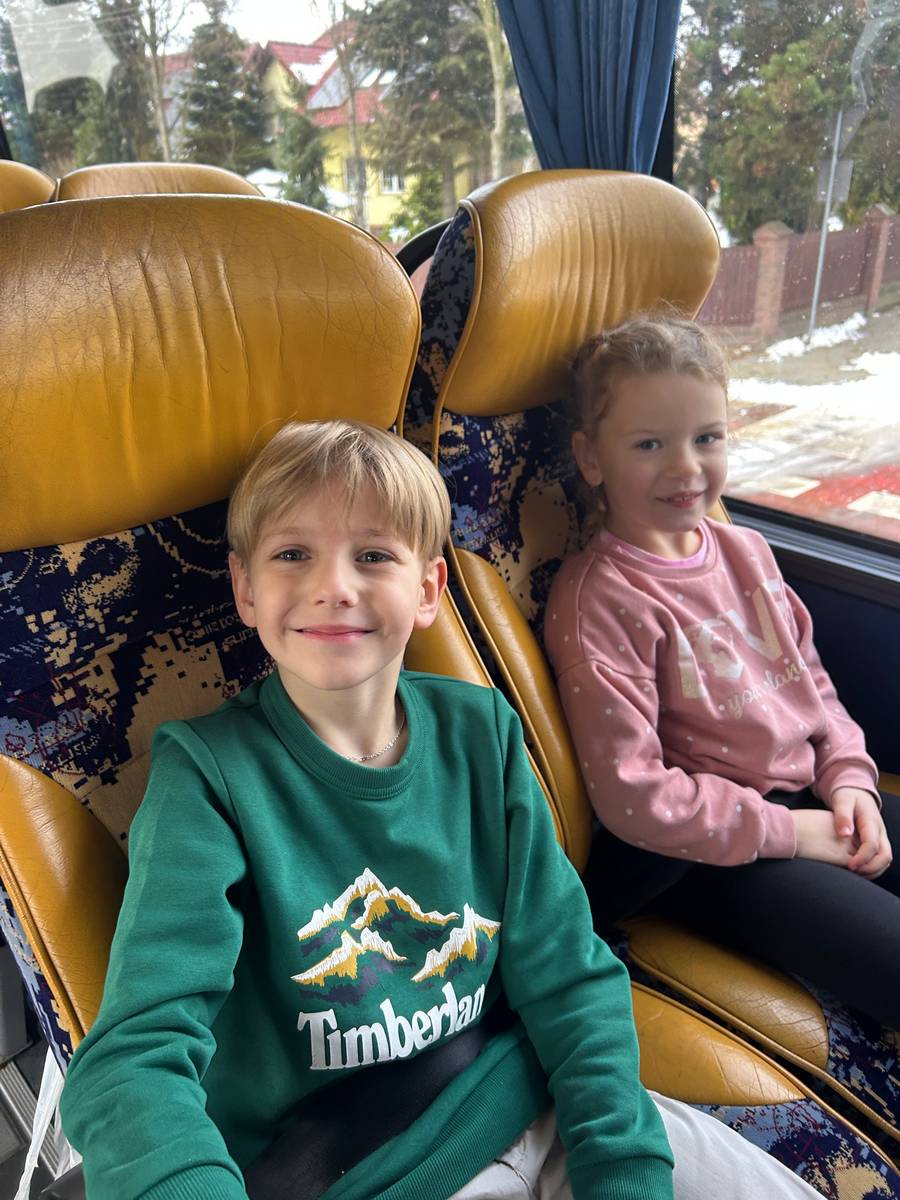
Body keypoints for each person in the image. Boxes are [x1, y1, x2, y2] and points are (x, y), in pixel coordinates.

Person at [60, 419, 827, 1200]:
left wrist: (620, 1162)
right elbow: (136, 1059)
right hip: (369, 1170)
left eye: (373, 556)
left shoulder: (480, 731)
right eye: (293, 554)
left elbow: (568, 971)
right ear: (245, 590)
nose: (334, 586)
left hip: (531, 1098)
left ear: (428, 590)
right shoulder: (206, 777)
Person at [545, 316, 900, 1030]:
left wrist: (850, 781)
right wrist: (791, 832)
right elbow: (634, 795)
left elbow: (812, 686)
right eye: (650, 444)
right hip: (713, 854)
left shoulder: (747, 552)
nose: (687, 468)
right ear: (591, 457)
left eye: (707, 438)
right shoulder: (601, 602)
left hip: (809, 797)